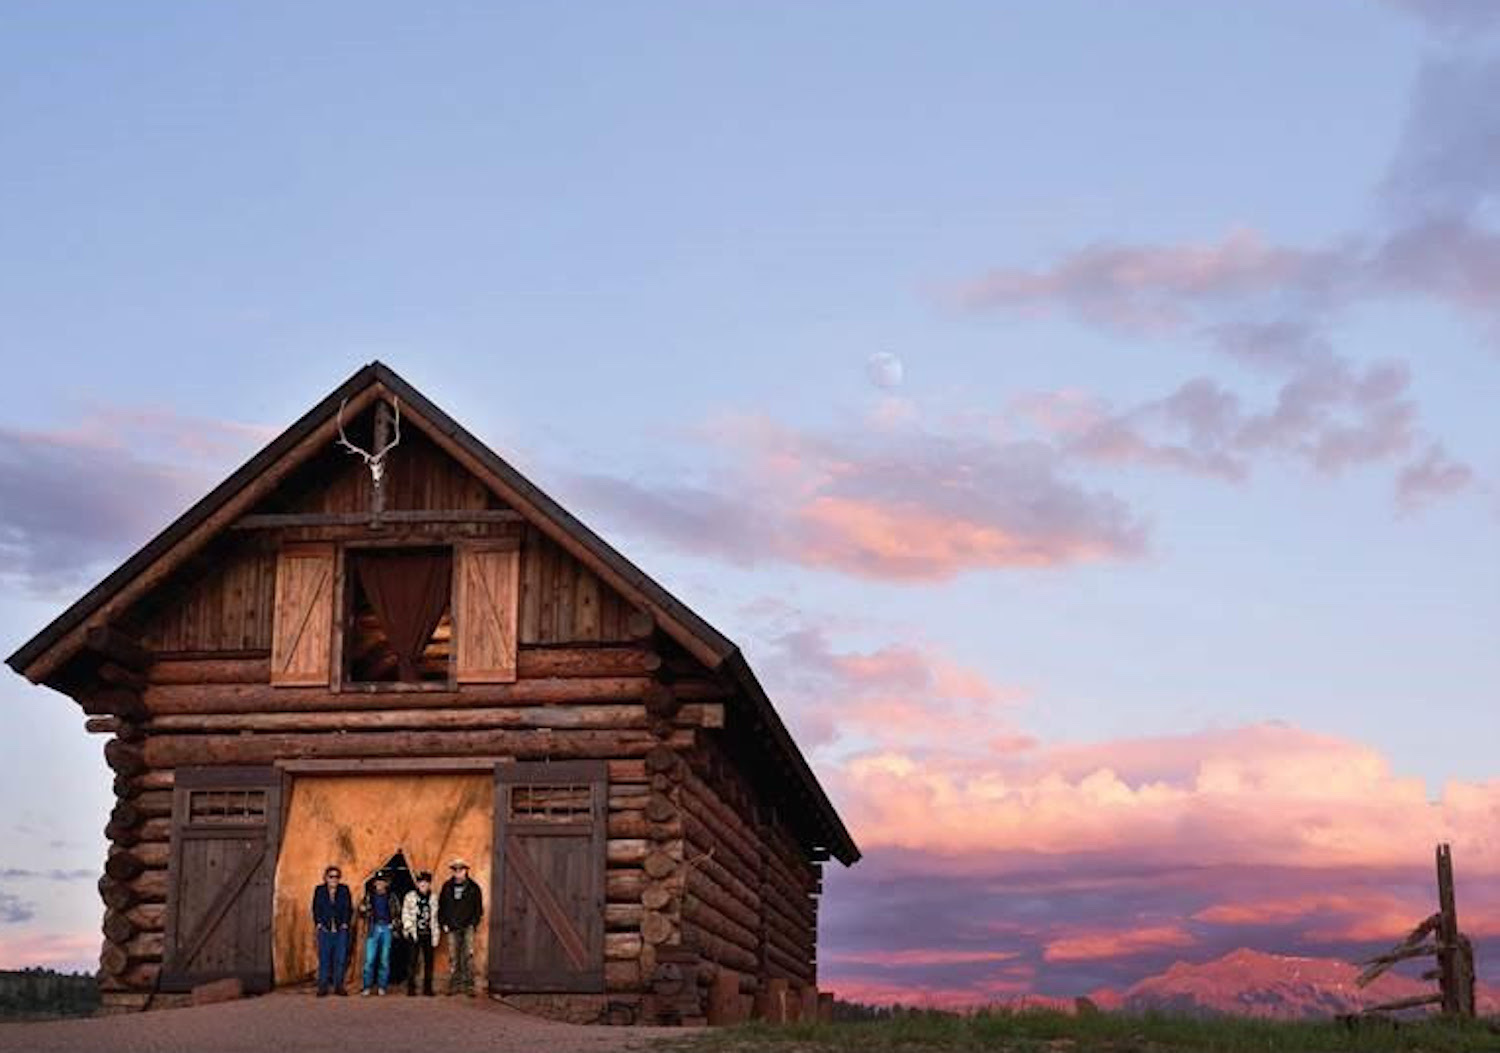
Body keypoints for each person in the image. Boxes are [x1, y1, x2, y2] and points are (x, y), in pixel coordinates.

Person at [437, 858, 483, 995]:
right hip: (451, 926)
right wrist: (443, 922)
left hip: (468, 925)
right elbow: (442, 906)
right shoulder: (447, 887)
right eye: (455, 870)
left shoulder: (474, 887)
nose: (458, 872)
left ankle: (469, 986)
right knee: (453, 956)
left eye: (461, 869)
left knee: (468, 955)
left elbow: (478, 908)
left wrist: (473, 923)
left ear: (466, 870)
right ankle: (453, 985)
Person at [311, 864, 352, 997]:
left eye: (336, 877)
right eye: (331, 877)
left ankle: (338, 986)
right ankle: (322, 987)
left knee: (339, 958)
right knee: (324, 958)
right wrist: (318, 923)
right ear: (326, 878)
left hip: (340, 929)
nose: (334, 879)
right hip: (325, 929)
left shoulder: (344, 890)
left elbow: (348, 907)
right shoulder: (320, 890)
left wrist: (345, 923)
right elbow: (315, 907)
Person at [359, 871, 402, 996]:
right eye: (378, 881)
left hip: (387, 928)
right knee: (370, 959)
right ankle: (367, 986)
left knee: (384, 959)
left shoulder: (391, 897)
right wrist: (364, 910)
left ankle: (382, 986)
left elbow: (397, 912)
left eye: (382, 881)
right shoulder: (369, 896)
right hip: (373, 927)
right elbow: (361, 911)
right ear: (374, 883)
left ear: (386, 883)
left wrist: (394, 925)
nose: (380, 884)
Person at [400, 870, 440, 996]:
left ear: (429, 884)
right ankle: (411, 988)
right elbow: (405, 913)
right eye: (421, 883)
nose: (423, 885)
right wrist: (409, 927)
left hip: (429, 933)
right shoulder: (410, 896)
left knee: (429, 962)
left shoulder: (433, 898)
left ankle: (427, 988)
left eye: (426, 883)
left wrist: (436, 933)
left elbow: (436, 916)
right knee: (412, 961)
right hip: (414, 932)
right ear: (417, 884)